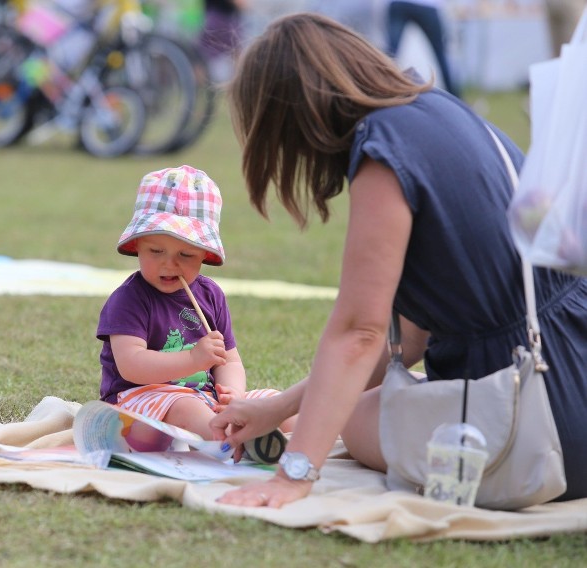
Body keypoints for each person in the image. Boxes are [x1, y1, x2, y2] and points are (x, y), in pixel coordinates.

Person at [208, 13, 587, 507]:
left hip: (547, 421)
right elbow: (408, 338)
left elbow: (360, 334)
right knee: (354, 405)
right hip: (572, 354)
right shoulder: (435, 108)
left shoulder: (384, 153)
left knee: (357, 418)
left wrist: (293, 475)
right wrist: (277, 408)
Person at [97, 165, 294, 453]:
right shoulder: (128, 299)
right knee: (186, 407)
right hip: (137, 403)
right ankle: (232, 443)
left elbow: (230, 360)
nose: (169, 263)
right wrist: (193, 359)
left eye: (186, 254)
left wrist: (233, 393)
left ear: (204, 255)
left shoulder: (211, 295)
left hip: (205, 399)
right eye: (156, 251)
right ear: (137, 245)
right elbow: (132, 365)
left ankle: (299, 442)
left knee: (274, 401)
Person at [386, 0, 460, 98]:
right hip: (427, 5)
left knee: (390, 54)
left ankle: (380, 92)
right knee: (441, 55)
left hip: (401, 4)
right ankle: (457, 99)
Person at [198, 0, 248, 83]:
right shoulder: (224, 23)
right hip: (216, 69)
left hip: (209, 66)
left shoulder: (211, 17)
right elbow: (237, 52)